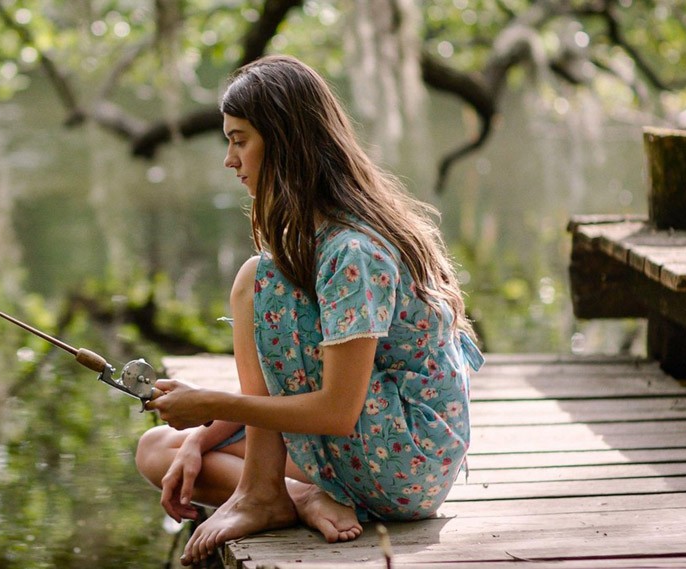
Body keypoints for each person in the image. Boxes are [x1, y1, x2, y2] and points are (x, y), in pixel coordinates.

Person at [134, 54, 483, 567]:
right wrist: (203, 431)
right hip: (372, 446)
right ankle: (293, 496)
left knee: (257, 279)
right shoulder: (316, 240)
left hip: (407, 463)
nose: (230, 160)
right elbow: (300, 401)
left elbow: (337, 411)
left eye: (239, 140)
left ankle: (262, 493)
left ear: (286, 143)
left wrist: (212, 402)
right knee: (161, 449)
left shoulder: (353, 252)